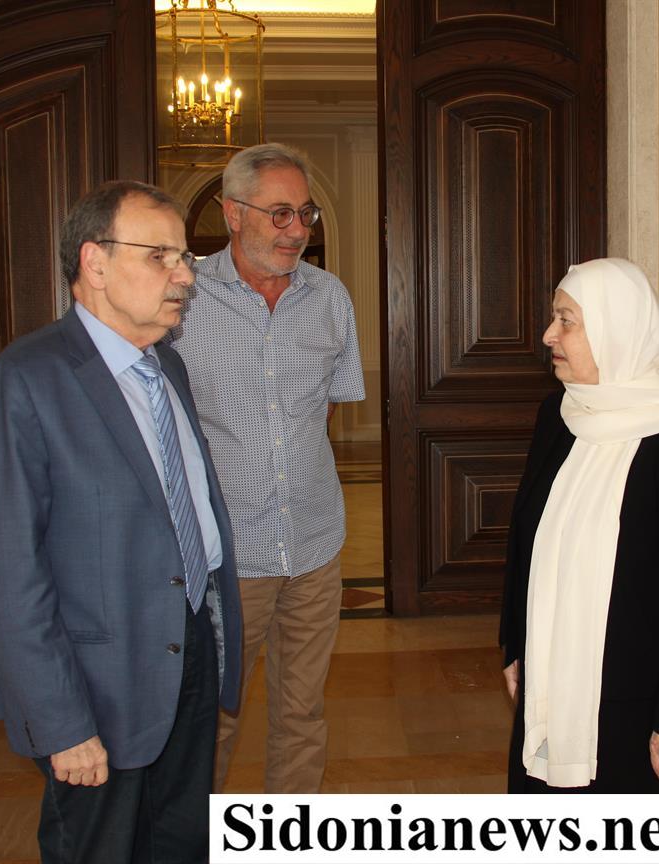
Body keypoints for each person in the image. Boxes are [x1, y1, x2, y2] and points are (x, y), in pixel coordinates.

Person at [0, 181, 243, 863]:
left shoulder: (166, 365)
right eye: (160, 256)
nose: (185, 276)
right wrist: (60, 722)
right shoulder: (26, 379)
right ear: (94, 262)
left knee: (181, 843)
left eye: (185, 258)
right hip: (97, 681)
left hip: (188, 648)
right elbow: (12, 573)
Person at [499, 258, 659, 793]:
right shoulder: (559, 415)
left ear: (615, 330)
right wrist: (517, 646)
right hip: (551, 673)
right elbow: (526, 542)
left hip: (638, 701)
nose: (548, 335)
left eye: (566, 321)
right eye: (555, 317)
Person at [171, 142, 365, 793]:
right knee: (213, 717)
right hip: (227, 555)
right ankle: (194, 837)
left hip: (314, 544)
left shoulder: (330, 297)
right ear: (233, 213)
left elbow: (323, 412)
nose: (296, 229)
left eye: (305, 213)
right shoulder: (183, 297)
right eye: (279, 213)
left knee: (302, 715)